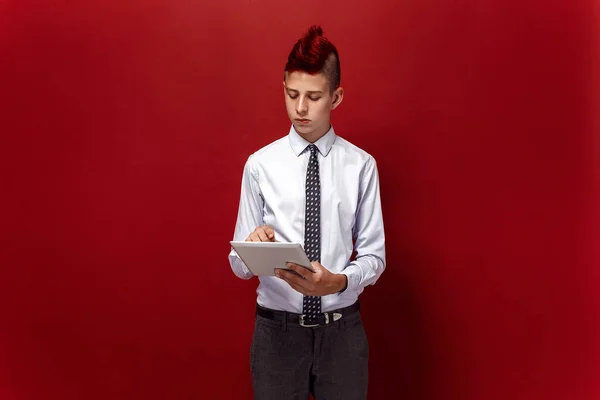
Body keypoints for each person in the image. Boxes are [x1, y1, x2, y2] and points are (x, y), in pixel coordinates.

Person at [228, 25, 386, 400]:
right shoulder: (259, 165)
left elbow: (374, 257)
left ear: (336, 96)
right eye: (292, 94)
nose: (300, 108)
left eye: (314, 96)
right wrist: (251, 247)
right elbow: (237, 263)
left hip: (342, 334)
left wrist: (340, 282)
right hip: (276, 336)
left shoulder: (361, 166)